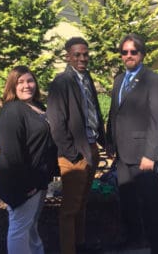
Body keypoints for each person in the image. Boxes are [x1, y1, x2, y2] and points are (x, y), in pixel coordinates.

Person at [106, 33, 158, 253]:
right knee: (127, 201)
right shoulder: (118, 80)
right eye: (124, 52)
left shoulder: (155, 80)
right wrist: (110, 142)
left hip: (144, 156)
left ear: (142, 54)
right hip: (122, 155)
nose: (129, 55)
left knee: (151, 204)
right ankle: (133, 238)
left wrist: (151, 154)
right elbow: (114, 112)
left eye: (133, 51)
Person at [46, 37, 106, 254]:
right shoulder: (61, 82)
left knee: (82, 202)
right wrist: (72, 155)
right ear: (68, 56)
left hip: (91, 148)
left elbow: (95, 111)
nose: (82, 58)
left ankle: (80, 244)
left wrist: (103, 142)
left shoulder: (87, 77)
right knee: (69, 209)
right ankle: (68, 249)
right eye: (77, 55)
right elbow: (56, 123)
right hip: (74, 154)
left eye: (85, 54)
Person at [0, 65, 58, 254]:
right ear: (12, 86)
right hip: (22, 184)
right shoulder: (12, 111)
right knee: (19, 229)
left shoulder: (37, 107)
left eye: (30, 81)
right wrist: (27, 186)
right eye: (20, 82)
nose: (26, 85)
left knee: (31, 225)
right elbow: (11, 155)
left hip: (38, 180)